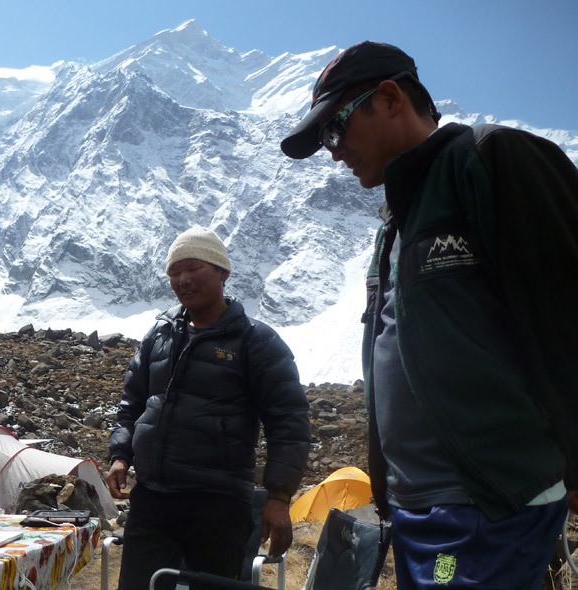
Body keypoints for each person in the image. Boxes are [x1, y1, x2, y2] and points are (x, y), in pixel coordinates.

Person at [281, 41, 578, 589]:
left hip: (485, 502)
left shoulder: (492, 160)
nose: (334, 151)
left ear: (390, 97)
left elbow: (565, 312)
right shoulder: (397, 222)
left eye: (336, 127)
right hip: (422, 510)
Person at [105, 226, 311, 590]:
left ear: (222, 272)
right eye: (173, 272)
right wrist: (120, 454)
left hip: (217, 505)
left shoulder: (256, 341)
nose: (182, 279)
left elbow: (289, 422)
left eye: (193, 268)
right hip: (152, 499)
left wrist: (279, 497)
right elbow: (133, 402)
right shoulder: (161, 332)